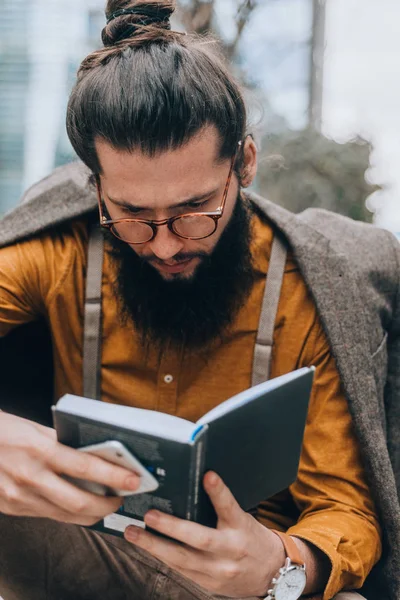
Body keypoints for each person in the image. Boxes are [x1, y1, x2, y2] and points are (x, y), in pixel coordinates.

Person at [0, 1, 399, 599]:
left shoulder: (307, 287)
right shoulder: (60, 253)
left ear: (245, 163)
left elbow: (347, 509)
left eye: (195, 211)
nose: (163, 246)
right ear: (95, 188)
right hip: (87, 555)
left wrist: (283, 564)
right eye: (132, 215)